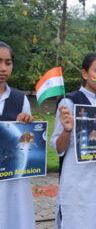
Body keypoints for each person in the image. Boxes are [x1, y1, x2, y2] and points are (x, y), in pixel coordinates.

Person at [51, 53, 96, 229]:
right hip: (77, 177)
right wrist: (67, 130)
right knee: (77, 219)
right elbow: (57, 147)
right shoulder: (69, 102)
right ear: (85, 74)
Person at [0, 41, 35, 229]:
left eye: (8, 62)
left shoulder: (20, 98)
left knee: (13, 216)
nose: (3, 68)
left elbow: (28, 141)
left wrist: (27, 127)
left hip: (12, 175)